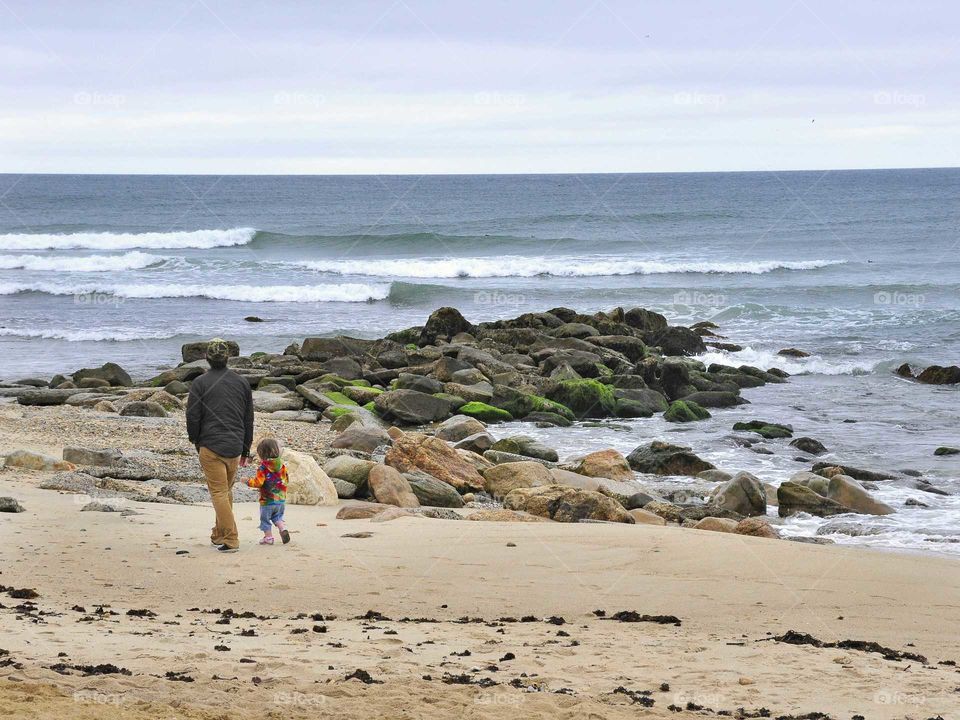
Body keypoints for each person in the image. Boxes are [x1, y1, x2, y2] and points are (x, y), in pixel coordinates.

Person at [185, 338, 254, 553]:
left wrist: (195, 439)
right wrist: (245, 448)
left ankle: (231, 538)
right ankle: (219, 533)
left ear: (206, 357)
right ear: (228, 358)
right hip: (234, 445)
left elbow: (192, 415)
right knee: (226, 492)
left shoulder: (200, 383)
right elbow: (248, 418)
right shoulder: (242, 382)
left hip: (211, 445)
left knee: (218, 492)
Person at [247, 437, 290, 545]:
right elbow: (286, 479)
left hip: (267, 501)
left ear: (262, 454)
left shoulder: (263, 468)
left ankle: (268, 538)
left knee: (265, 520)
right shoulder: (282, 466)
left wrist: (247, 481)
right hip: (280, 499)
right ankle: (282, 527)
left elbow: (258, 483)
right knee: (277, 517)